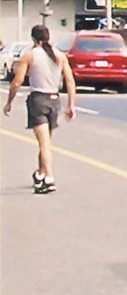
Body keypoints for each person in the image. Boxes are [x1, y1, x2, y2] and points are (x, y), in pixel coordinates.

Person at [4, 25, 78, 194]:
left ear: (33, 39)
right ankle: (40, 174)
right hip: (54, 100)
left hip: (38, 100)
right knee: (45, 143)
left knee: (44, 144)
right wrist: (71, 104)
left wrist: (9, 102)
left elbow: (17, 81)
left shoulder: (30, 55)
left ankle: (49, 178)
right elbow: (70, 81)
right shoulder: (60, 56)